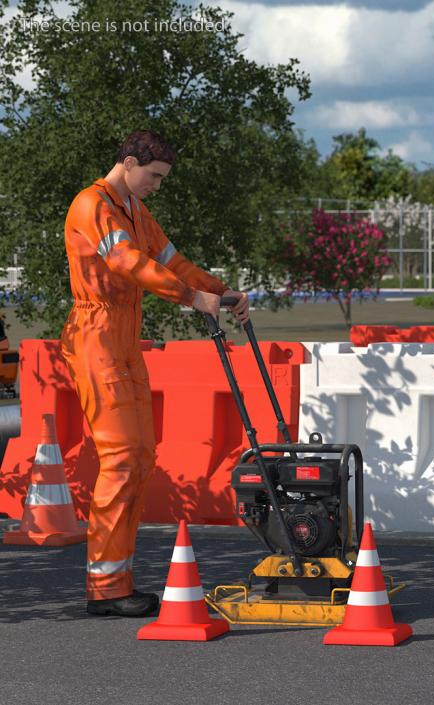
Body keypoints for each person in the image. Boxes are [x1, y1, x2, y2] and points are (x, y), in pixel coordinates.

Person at [61, 130, 250, 616]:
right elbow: (126, 262)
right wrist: (193, 299)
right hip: (95, 337)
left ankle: (114, 580)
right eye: (154, 176)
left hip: (123, 339)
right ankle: (105, 589)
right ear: (128, 163)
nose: (157, 186)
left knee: (141, 457)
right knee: (122, 458)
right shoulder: (92, 204)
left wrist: (222, 292)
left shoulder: (135, 212)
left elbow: (172, 262)